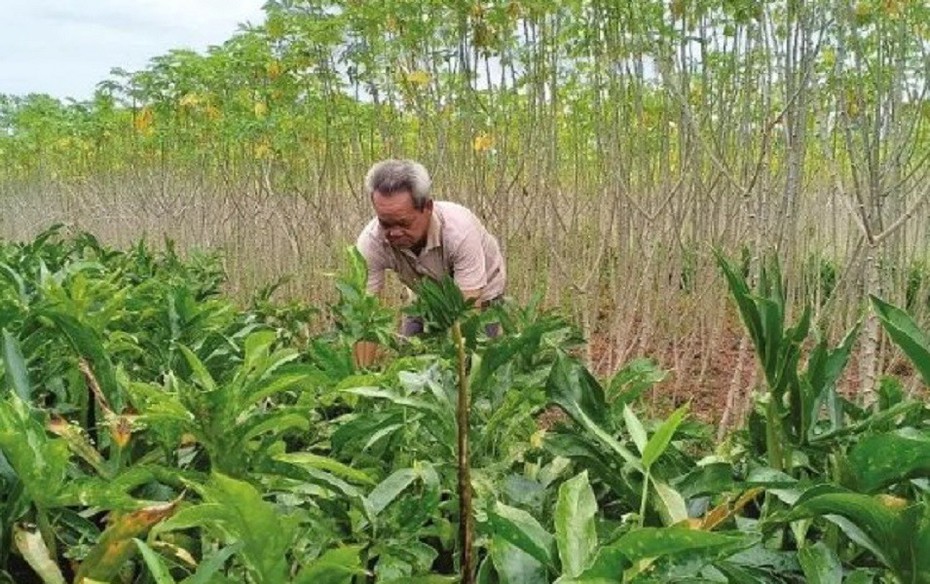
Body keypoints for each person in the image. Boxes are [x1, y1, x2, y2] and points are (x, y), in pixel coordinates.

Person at [354, 159, 506, 365]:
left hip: (481, 296)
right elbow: (365, 314)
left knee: (476, 367)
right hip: (424, 299)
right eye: (385, 223)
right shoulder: (371, 242)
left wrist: (459, 370)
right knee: (408, 366)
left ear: (427, 207)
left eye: (403, 223)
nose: (394, 232)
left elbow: (468, 312)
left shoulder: (459, 232)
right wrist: (360, 381)